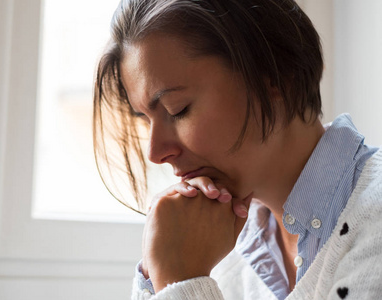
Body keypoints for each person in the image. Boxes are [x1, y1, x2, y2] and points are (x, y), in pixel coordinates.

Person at [93, 0, 382, 299]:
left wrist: (181, 280)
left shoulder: (374, 220)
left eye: (177, 110)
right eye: (145, 120)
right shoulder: (211, 255)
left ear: (275, 78)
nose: (155, 152)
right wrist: (164, 271)